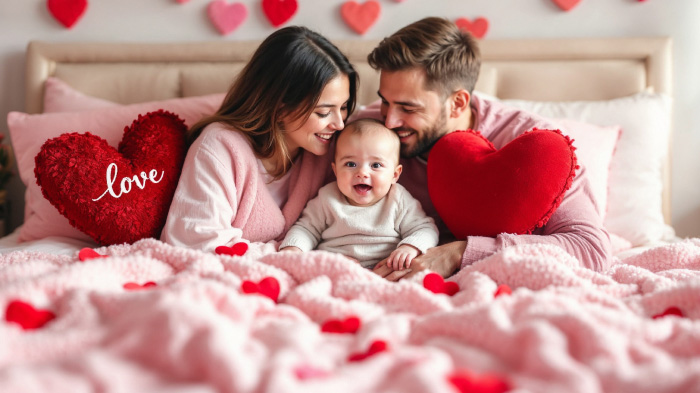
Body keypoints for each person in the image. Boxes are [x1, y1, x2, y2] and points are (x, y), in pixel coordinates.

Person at [355, 17, 612, 279]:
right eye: (385, 102)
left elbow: (591, 250)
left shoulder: (539, 148)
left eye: (408, 108)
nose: (389, 121)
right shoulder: (366, 130)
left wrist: (459, 253)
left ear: (457, 103)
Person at [161, 26, 358, 252]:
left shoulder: (340, 145)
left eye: (343, 108)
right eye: (323, 112)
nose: (339, 123)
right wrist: (290, 255)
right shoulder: (219, 147)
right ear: (280, 105)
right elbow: (196, 242)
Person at [278, 119, 439, 269]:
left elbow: (425, 228)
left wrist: (410, 246)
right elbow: (306, 229)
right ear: (335, 171)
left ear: (395, 175)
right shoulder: (328, 197)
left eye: (376, 165)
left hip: (384, 270)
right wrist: (294, 248)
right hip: (335, 268)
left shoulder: (398, 199)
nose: (362, 173)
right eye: (351, 164)